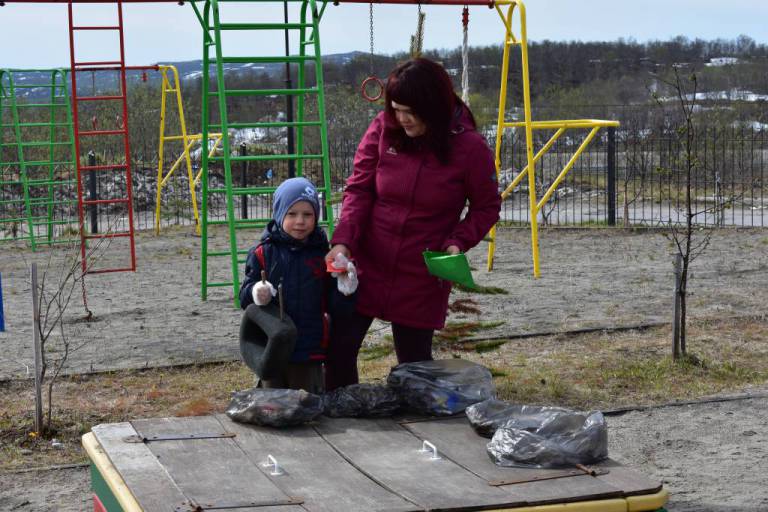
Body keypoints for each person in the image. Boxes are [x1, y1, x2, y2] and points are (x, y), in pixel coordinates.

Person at [324, 58, 502, 390]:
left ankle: (418, 430)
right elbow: (359, 189)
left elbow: (487, 206)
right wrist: (343, 241)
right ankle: (339, 415)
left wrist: (457, 241)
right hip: (367, 262)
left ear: (432, 107)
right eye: (396, 109)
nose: (401, 118)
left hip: (422, 270)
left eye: (409, 111)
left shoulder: (470, 148)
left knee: (415, 365)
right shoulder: (382, 129)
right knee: (339, 348)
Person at [239, 177, 356, 394]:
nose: (300, 221)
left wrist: (344, 288)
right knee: (272, 403)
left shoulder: (324, 255)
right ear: (279, 213)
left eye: (308, 214)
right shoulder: (263, 253)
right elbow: (244, 299)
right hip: (272, 346)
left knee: (307, 405)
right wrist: (257, 292)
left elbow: (337, 308)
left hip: (309, 348)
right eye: (292, 214)